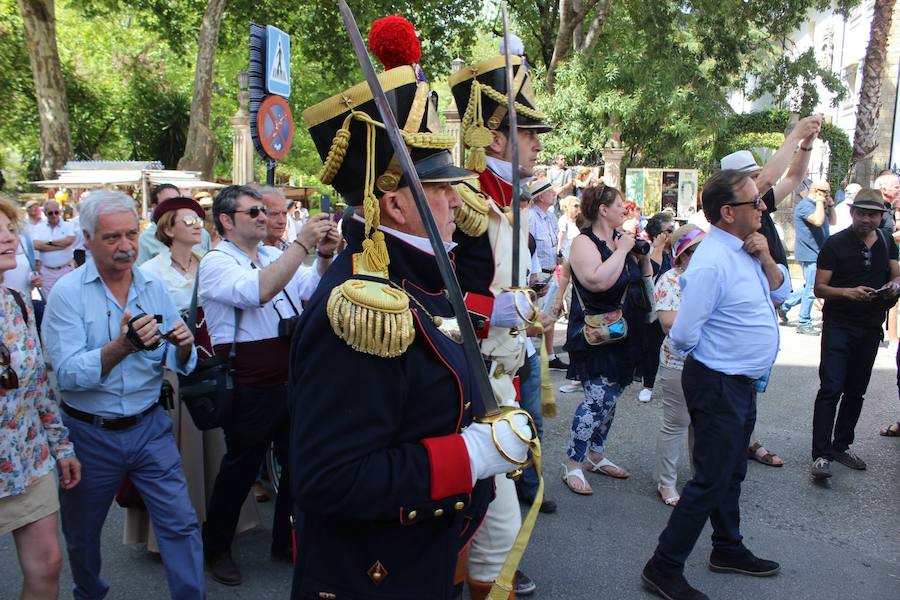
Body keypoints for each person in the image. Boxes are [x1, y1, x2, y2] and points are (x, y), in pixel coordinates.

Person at [290, 20, 528, 598]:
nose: (456, 198)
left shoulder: (410, 279)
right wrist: (470, 454)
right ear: (396, 204)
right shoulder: (361, 304)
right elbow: (334, 477)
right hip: (372, 576)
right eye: (441, 188)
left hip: (416, 556)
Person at [42, 190, 204, 600]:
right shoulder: (67, 293)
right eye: (112, 237)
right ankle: (89, 592)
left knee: (181, 523)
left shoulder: (151, 283)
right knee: (82, 533)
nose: (126, 246)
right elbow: (68, 376)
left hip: (150, 425)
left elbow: (172, 353)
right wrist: (122, 347)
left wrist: (183, 345)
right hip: (89, 435)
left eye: (132, 234)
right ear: (88, 238)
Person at [642, 169, 791, 600]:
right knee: (710, 478)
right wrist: (719, 358)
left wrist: (765, 257)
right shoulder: (711, 261)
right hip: (719, 382)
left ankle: (727, 548)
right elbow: (683, 333)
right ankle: (663, 566)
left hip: (739, 384)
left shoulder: (745, 249)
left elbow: (780, 294)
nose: (763, 206)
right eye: (754, 202)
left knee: (732, 470)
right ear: (728, 213)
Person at [450, 36, 553, 596]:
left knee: (486, 524)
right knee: (493, 525)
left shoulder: (508, 196)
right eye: (528, 132)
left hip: (501, 373)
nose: (537, 144)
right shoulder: (465, 197)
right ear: (494, 136)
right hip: (468, 380)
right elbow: (432, 300)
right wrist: (500, 310)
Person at [199, 184, 339, 586]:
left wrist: (324, 255)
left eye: (264, 211)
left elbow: (312, 291)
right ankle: (217, 546)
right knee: (241, 469)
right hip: (251, 383)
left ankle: (286, 539)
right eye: (253, 212)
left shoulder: (273, 255)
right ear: (226, 221)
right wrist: (302, 244)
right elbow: (259, 291)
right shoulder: (216, 262)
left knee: (297, 465)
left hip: (289, 378)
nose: (263, 217)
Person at [126, 196, 260, 553]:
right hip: (171, 368)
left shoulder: (210, 264)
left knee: (217, 447)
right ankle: (174, 532)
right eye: (187, 220)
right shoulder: (151, 271)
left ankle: (216, 524)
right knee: (180, 454)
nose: (196, 224)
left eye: (199, 219)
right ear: (168, 229)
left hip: (211, 365)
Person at [718, 115, 821, 468]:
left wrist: (806, 145)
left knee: (751, 386)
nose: (758, 186)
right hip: (746, 309)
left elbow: (792, 177)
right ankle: (733, 450)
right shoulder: (735, 206)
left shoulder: (756, 204)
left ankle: (747, 440)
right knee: (740, 385)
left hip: (767, 295)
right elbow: (769, 178)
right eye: (750, 177)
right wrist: (795, 136)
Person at [0, 198, 81, 600]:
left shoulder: (17, 303)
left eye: (10, 229)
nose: (7, 238)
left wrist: (61, 446)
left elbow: (38, 386)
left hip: (27, 458)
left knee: (48, 563)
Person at [560, 184, 652, 495]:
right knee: (596, 400)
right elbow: (597, 281)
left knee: (610, 401)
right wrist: (624, 251)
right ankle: (573, 463)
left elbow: (637, 278)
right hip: (595, 335)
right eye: (618, 205)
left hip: (623, 333)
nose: (624, 210)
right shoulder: (584, 243)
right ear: (602, 209)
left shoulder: (618, 239)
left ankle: (596, 455)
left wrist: (641, 255)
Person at [809, 189, 900, 479]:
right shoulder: (835, 243)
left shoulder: (887, 242)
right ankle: (820, 454)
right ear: (852, 213)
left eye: (872, 214)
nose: (866, 219)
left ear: (881, 217)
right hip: (839, 325)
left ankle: (841, 445)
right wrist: (847, 292)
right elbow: (819, 288)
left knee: (856, 391)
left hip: (871, 326)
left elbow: (896, 273)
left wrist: (895, 285)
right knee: (831, 388)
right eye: (861, 213)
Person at [652, 224, 706, 507]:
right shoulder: (670, 281)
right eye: (697, 251)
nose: (704, 256)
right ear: (683, 254)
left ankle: (701, 479)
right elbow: (668, 323)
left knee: (702, 423)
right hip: (678, 362)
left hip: (708, 362)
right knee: (677, 423)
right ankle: (667, 482)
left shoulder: (709, 278)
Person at [779, 180, 836, 335]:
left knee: (808, 286)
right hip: (809, 253)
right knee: (812, 289)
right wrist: (819, 201)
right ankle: (804, 322)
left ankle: (785, 305)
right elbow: (817, 221)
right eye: (826, 192)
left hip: (820, 252)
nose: (828, 195)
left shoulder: (821, 205)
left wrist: (829, 205)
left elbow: (832, 221)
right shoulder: (804, 206)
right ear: (816, 191)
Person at [528, 177, 567, 372]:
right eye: (551, 192)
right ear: (541, 196)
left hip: (551, 271)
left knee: (551, 314)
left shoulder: (551, 216)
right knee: (535, 318)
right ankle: (533, 355)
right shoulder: (531, 217)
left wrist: (558, 256)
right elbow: (530, 248)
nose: (554, 194)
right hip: (537, 275)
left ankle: (550, 355)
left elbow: (552, 244)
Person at [638, 212, 675, 403]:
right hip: (655, 307)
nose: (672, 233)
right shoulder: (649, 251)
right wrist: (659, 247)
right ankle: (648, 385)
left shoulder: (676, 252)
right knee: (651, 347)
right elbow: (650, 275)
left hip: (675, 305)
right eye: (668, 230)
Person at [137, 184, 211, 266]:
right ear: (155, 207)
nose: (176, 205)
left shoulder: (202, 233)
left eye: (178, 200)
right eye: (168, 202)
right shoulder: (146, 239)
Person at [31, 200, 76, 297]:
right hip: (47, 273)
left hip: (66, 270)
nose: (54, 215)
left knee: (68, 298)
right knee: (48, 301)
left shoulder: (68, 225)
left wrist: (47, 244)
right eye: (50, 213)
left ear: (60, 212)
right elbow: (36, 245)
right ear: (45, 214)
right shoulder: (39, 227)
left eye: (56, 212)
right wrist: (60, 244)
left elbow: (68, 241)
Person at [258, 185, 291, 251]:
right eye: (274, 214)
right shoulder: (247, 253)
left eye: (284, 213)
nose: (282, 221)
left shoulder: (290, 249)